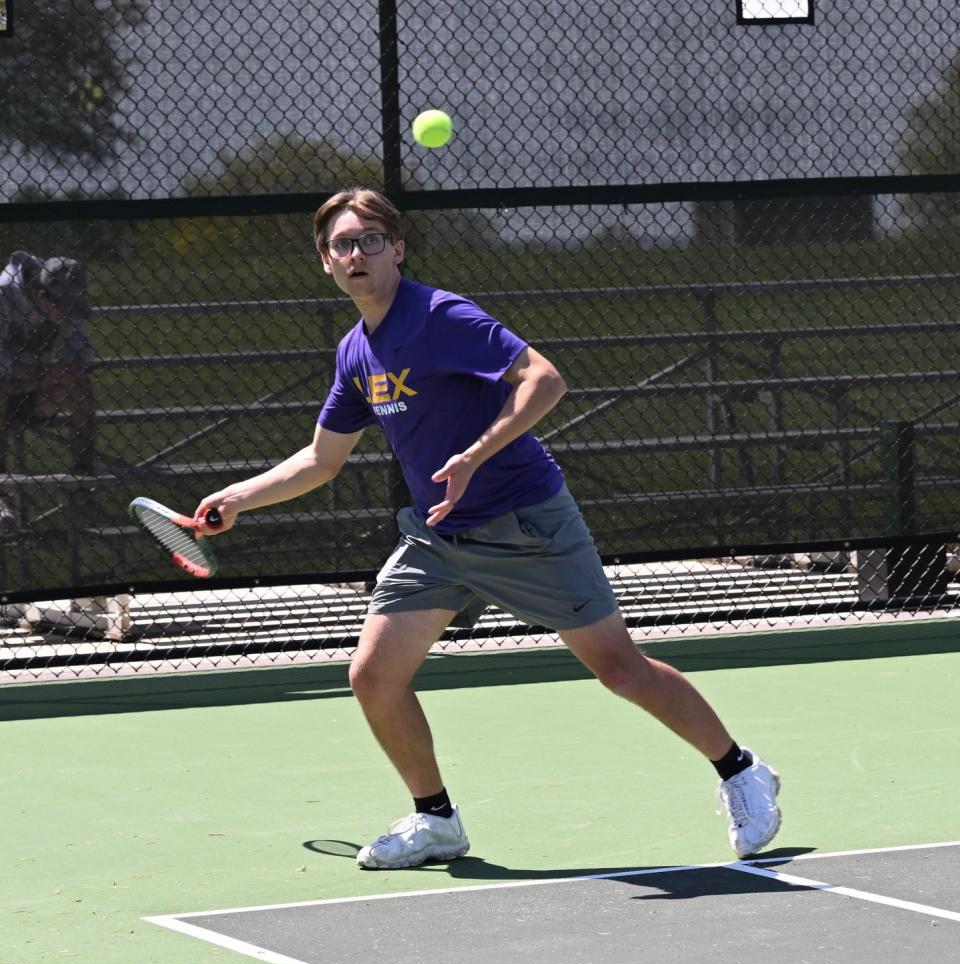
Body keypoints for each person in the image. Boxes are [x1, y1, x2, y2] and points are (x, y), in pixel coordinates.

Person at [194, 187, 782, 869]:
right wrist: (238, 496)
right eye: (342, 245)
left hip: (526, 521)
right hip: (439, 537)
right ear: (324, 261)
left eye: (371, 240)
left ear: (399, 249)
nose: (357, 255)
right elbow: (322, 460)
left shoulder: (441, 316)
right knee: (373, 674)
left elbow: (545, 379)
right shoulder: (355, 352)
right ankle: (436, 819)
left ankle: (742, 770)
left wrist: (476, 453)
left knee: (620, 669)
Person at [0, 251, 98, 477]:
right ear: (39, 293)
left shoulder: (62, 290)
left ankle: (83, 475)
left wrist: (48, 373)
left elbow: (80, 351)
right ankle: (1, 491)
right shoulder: (4, 293)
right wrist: (48, 373)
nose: (65, 315)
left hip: (38, 388)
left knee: (81, 386)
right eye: (61, 308)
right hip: (9, 387)